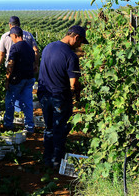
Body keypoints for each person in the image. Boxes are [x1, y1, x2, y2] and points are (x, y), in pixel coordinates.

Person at [38, 25, 87, 169]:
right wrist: (78, 95)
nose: (79, 46)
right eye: (80, 42)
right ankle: (56, 161)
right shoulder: (71, 57)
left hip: (44, 94)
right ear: (76, 37)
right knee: (60, 129)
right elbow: (73, 83)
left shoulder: (48, 47)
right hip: (59, 96)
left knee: (49, 127)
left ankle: (47, 159)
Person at [0, 16, 40, 114]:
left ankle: (16, 117)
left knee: (13, 97)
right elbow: (36, 51)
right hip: (27, 70)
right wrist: (35, 64)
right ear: (19, 24)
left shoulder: (5, 36)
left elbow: (1, 54)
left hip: (13, 71)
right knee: (26, 96)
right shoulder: (28, 35)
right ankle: (26, 120)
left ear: (10, 25)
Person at [4, 27, 37, 133]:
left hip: (17, 79)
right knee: (28, 102)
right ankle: (29, 127)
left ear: (15, 35)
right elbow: (33, 62)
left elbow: (11, 64)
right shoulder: (29, 47)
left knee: (10, 101)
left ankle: (8, 125)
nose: (11, 39)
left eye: (11, 36)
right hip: (29, 78)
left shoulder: (15, 47)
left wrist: (7, 79)